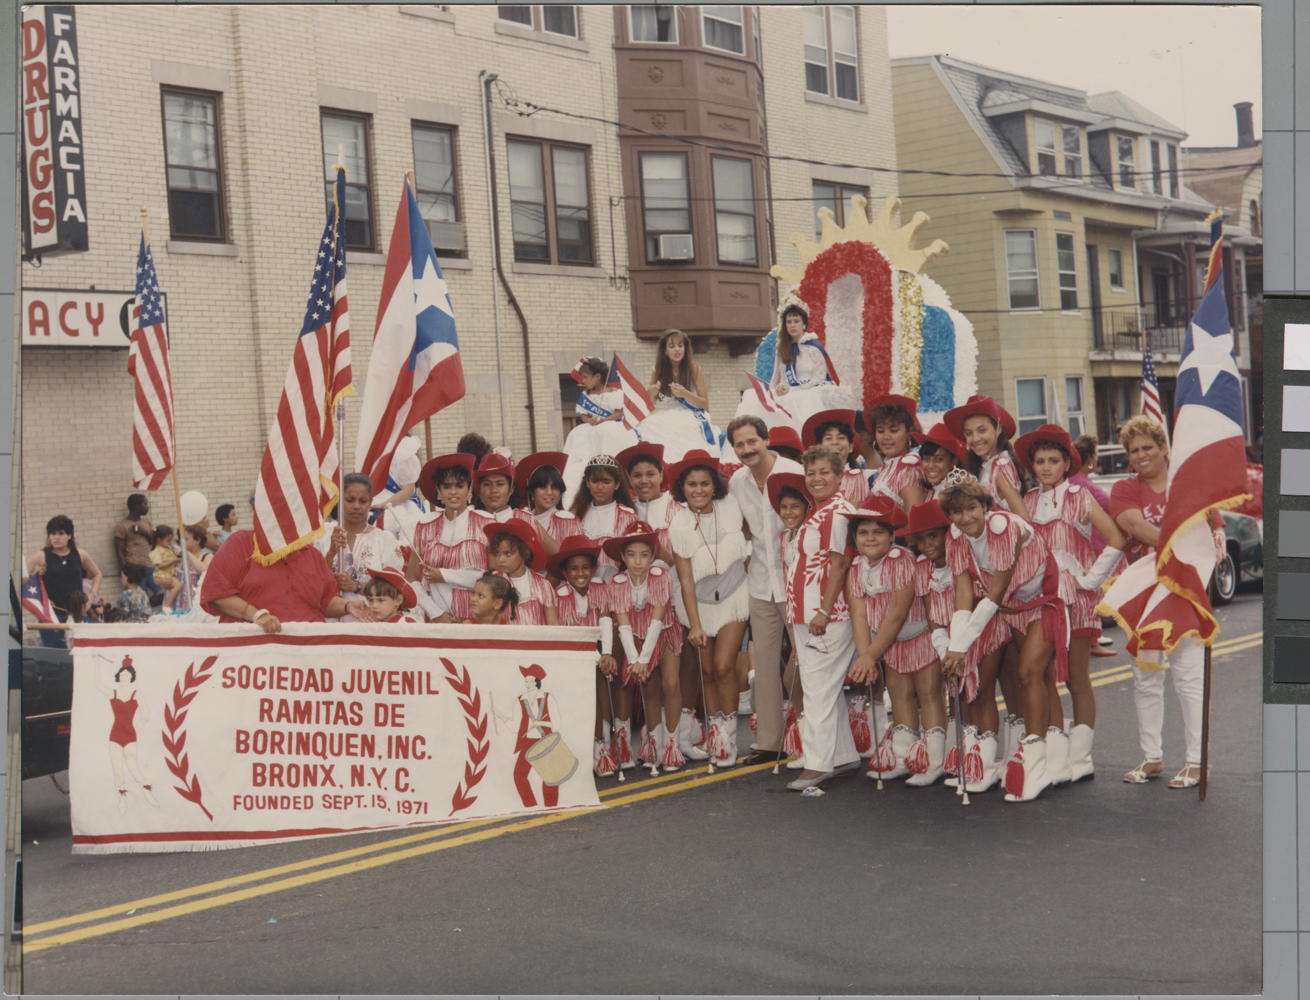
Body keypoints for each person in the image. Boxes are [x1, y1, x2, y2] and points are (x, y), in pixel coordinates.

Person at [938, 472, 1063, 803]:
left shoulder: (1003, 526)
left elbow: (994, 594)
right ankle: (1013, 760)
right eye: (957, 512)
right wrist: (955, 645)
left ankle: (1037, 769)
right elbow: (964, 593)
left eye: (971, 508)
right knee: (1006, 678)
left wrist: (959, 645)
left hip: (1040, 601)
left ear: (985, 506)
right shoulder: (956, 537)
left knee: (1029, 673)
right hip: (1008, 608)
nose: (965, 518)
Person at [1014, 424, 1128, 783]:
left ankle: (1081, 758)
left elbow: (1116, 539)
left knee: (1076, 678)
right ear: (1032, 467)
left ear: (1067, 463)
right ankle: (1055, 753)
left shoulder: (1079, 496)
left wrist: (1089, 581)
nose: (1046, 467)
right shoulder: (1028, 502)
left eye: (1053, 460)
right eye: (1039, 461)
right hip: (1038, 601)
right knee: (1042, 675)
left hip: (1075, 599)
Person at [1109, 415, 1217, 790]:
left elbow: (1211, 528)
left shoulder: (1189, 484)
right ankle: (1152, 757)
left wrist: (1208, 546)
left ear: (1164, 449)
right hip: (1148, 591)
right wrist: (1177, 546)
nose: (1140, 455)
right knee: (1146, 675)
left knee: (1189, 674)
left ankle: (1196, 761)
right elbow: (1135, 526)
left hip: (1186, 590)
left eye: (1147, 447)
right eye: (1133, 450)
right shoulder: (1125, 489)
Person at [846, 495, 946, 786]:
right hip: (890, 645)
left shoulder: (901, 560)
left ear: (892, 537)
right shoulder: (856, 567)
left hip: (920, 635)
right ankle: (904, 757)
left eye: (878, 532)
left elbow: (898, 614)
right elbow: (859, 616)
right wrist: (867, 657)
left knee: (928, 694)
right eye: (863, 532)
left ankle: (934, 759)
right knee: (900, 695)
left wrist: (870, 655)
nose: (870, 538)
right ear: (854, 537)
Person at [617, 442, 705, 761]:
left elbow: (682, 557)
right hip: (639, 600)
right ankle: (656, 742)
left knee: (681, 669)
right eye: (637, 475)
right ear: (628, 478)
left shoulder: (675, 508)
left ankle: (681, 733)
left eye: (650, 474)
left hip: (676, 592)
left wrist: (653, 549)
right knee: (651, 675)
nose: (644, 481)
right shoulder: (626, 510)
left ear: (661, 475)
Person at [727, 416, 805, 764]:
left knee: (808, 663)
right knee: (767, 668)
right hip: (760, 583)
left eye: (752, 442)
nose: (747, 450)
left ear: (766, 439)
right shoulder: (736, 482)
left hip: (797, 583)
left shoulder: (792, 472)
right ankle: (771, 743)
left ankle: (809, 735)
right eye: (739, 445)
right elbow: (741, 527)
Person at [783, 444, 859, 790]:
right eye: (810, 472)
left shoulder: (838, 512)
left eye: (824, 472)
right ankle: (842, 755)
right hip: (807, 613)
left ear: (840, 476)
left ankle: (817, 764)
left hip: (826, 614)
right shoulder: (819, 510)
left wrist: (825, 610)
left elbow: (840, 562)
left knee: (817, 689)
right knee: (824, 687)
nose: (816, 478)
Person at [668, 450, 750, 768]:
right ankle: (715, 735)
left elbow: (748, 538)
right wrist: (696, 625)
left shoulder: (731, 507)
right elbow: (687, 582)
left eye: (705, 483)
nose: (699, 490)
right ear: (682, 488)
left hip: (733, 598)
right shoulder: (679, 524)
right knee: (706, 672)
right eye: (692, 484)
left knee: (723, 667)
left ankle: (728, 739)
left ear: (714, 485)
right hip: (697, 606)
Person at [604, 522, 687, 771]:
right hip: (635, 639)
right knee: (649, 689)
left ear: (653, 556)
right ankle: (655, 746)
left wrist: (643, 659)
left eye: (644, 555)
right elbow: (624, 625)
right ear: (622, 556)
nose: (638, 561)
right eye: (631, 554)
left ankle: (672, 746)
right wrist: (635, 660)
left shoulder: (660, 577)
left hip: (664, 632)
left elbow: (657, 620)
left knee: (670, 684)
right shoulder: (617, 582)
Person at [199, 530, 371, 630]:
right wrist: (257, 615)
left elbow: (325, 601)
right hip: (251, 653)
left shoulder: (312, 555)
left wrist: (347, 606)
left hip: (305, 653)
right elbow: (217, 593)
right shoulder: (241, 543)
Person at [547, 536, 618, 775]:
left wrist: (607, 654)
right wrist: (597, 657)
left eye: (586, 568)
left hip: (598, 649)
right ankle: (590, 747)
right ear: (565, 572)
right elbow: (570, 634)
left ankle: (603, 746)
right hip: (575, 654)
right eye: (574, 569)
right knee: (585, 699)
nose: (581, 573)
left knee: (602, 691)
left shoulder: (599, 587)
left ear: (594, 569)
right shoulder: (561, 595)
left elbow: (606, 620)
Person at [409, 454, 494, 620]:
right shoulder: (425, 525)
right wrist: (436, 614)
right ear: (439, 490)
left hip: (478, 619)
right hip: (437, 621)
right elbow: (411, 578)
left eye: (460, 486)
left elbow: (495, 576)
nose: (453, 492)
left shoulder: (486, 523)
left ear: (469, 489)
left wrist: (445, 576)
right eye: (447, 487)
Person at [767, 468, 812, 766]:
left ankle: (815, 745)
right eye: (783, 507)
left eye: (795, 506)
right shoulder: (784, 537)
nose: (788, 512)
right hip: (796, 616)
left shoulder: (812, 534)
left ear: (808, 507)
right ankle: (809, 742)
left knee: (798, 677)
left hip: (815, 616)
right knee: (794, 677)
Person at [316, 473, 403, 622]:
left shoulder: (384, 539)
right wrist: (331, 554)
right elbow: (312, 583)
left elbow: (395, 589)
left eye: (362, 501)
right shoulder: (322, 536)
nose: (356, 506)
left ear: (370, 502)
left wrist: (356, 586)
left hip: (370, 623)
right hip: (329, 624)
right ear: (340, 501)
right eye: (350, 500)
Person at [640, 330, 721, 465]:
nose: (677, 350)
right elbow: (650, 404)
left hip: (692, 413)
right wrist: (653, 393)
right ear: (665, 350)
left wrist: (685, 394)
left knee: (683, 429)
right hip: (670, 412)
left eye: (680, 346)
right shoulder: (658, 369)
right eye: (672, 347)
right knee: (650, 426)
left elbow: (704, 403)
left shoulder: (693, 368)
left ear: (685, 348)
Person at [562, 357, 639, 500]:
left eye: (586, 377)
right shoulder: (587, 395)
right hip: (593, 425)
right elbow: (583, 415)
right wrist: (589, 420)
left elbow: (619, 413)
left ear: (597, 377)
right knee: (576, 432)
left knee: (605, 431)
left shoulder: (613, 392)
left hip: (611, 422)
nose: (583, 381)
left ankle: (607, 466)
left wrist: (603, 420)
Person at [943, 395, 1031, 520]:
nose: (975, 439)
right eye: (969, 433)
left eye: (982, 430)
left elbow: (1024, 519)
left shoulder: (1001, 466)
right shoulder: (983, 467)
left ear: (998, 429)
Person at [93, 655, 160, 815]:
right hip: (115, 735)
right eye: (122, 675)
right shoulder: (113, 693)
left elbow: (146, 715)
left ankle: (147, 793)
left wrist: (135, 729)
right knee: (117, 769)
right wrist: (96, 662)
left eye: (127, 675)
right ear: (118, 676)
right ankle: (122, 800)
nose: (124, 677)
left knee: (133, 767)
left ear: (132, 677)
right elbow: (98, 684)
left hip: (129, 735)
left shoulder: (137, 694)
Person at [25, 515, 103, 648]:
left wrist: (92, 595)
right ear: (48, 536)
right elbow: (20, 580)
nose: (56, 537)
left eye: (61, 533)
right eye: (53, 533)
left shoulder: (80, 554)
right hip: (51, 617)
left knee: (81, 654)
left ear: (69, 535)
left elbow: (97, 574)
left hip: (77, 614)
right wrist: (35, 577)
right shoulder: (41, 555)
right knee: (56, 658)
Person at [569, 454, 639, 583]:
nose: (600, 487)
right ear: (587, 482)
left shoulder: (627, 516)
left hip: (617, 587)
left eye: (606, 482)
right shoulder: (576, 513)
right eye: (594, 481)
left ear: (617, 484)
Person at [472, 521, 558, 625]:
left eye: (508, 553)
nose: (501, 559)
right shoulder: (491, 583)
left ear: (525, 553)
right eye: (498, 553)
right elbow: (483, 620)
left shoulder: (542, 584)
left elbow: (552, 624)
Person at [865, 395, 927, 512]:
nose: (886, 437)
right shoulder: (888, 465)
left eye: (893, 431)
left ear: (908, 431)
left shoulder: (909, 468)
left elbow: (913, 523)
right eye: (880, 431)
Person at [517, 452, 583, 558]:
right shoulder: (521, 519)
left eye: (555, 487)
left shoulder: (567, 520)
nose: (549, 492)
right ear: (532, 492)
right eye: (543, 487)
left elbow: (571, 560)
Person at [802, 409, 870, 505]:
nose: (834, 442)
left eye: (841, 438)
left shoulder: (863, 477)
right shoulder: (810, 479)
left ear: (851, 446)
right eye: (828, 438)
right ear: (819, 446)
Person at [371, 434, 427, 540]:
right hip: (373, 504)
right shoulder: (373, 447)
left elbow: (408, 491)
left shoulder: (402, 449)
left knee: (390, 525)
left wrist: (382, 505)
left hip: (396, 505)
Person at [114, 493, 163, 604]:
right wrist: (126, 571)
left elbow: (153, 542)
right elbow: (119, 551)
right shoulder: (122, 526)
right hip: (136, 567)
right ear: (137, 506)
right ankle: (145, 614)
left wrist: (143, 532)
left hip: (150, 566)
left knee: (162, 594)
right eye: (145, 504)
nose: (147, 507)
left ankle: (148, 607)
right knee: (142, 597)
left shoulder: (146, 522)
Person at [913, 423, 967, 502]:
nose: (931, 466)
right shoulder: (929, 489)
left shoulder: (958, 495)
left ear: (954, 461)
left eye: (939, 459)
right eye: (927, 459)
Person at [149, 525, 183, 610]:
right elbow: (160, 565)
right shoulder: (156, 551)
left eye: (171, 540)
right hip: (164, 575)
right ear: (159, 540)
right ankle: (167, 605)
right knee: (178, 585)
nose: (170, 543)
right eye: (168, 540)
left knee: (171, 590)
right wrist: (173, 561)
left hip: (169, 574)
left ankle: (168, 605)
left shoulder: (167, 549)